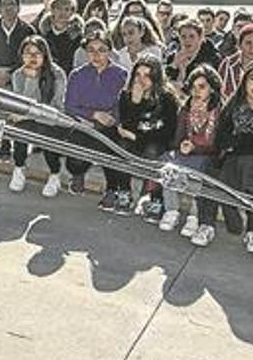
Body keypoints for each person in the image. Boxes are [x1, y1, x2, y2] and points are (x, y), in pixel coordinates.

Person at [202, 59, 253, 255]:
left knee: (249, 165)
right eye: (252, 79)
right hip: (234, 160)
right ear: (244, 81)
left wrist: (239, 141)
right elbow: (222, 140)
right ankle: (216, 222)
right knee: (218, 169)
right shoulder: (232, 105)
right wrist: (247, 141)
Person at [159, 65, 223, 246]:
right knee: (170, 163)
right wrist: (183, 145)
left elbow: (217, 145)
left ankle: (195, 216)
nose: (197, 92)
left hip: (208, 154)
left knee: (200, 167)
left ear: (212, 88)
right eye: (194, 87)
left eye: (202, 87)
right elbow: (177, 138)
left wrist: (195, 149)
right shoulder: (186, 108)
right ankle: (171, 210)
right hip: (188, 152)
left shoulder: (218, 110)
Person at [64, 30, 129, 210]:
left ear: (109, 51)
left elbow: (123, 104)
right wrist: (93, 115)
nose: (96, 55)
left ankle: (111, 189)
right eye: (91, 50)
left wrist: (112, 119)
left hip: (110, 124)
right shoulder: (77, 75)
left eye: (102, 50)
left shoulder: (121, 74)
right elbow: (70, 106)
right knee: (74, 161)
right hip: (85, 123)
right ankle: (78, 173)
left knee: (111, 149)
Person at [116, 56, 179, 221]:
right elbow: (125, 128)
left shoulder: (167, 98)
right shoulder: (125, 95)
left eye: (147, 75)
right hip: (136, 140)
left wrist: (137, 136)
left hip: (157, 144)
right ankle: (124, 191)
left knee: (153, 150)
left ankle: (154, 197)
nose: (141, 80)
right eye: (138, 75)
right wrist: (135, 103)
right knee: (122, 145)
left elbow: (167, 133)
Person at [8, 36, 67, 197]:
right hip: (28, 118)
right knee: (19, 130)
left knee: (44, 132)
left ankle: (55, 174)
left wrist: (29, 115)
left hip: (52, 119)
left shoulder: (57, 74)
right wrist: (30, 80)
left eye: (37, 53)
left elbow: (56, 107)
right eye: (28, 53)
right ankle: (19, 168)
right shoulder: (18, 75)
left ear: (45, 55)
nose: (32, 58)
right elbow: (20, 103)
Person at [0, 0, 37, 158]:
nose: (8, 8)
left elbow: (31, 58)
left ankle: (21, 143)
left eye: (12, 4)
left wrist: (10, 72)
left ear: (18, 8)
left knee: (18, 111)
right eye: (4, 5)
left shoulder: (28, 30)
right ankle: (4, 142)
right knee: (2, 109)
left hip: (20, 77)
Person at [164, 18, 221, 93]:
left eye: (192, 36)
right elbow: (163, 81)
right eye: (183, 36)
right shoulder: (172, 56)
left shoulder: (212, 57)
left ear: (200, 37)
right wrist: (174, 64)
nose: (187, 40)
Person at [38, 0, 85, 74]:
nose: (62, 13)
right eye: (59, 8)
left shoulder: (78, 37)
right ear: (52, 10)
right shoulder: (43, 34)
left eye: (67, 9)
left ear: (72, 13)